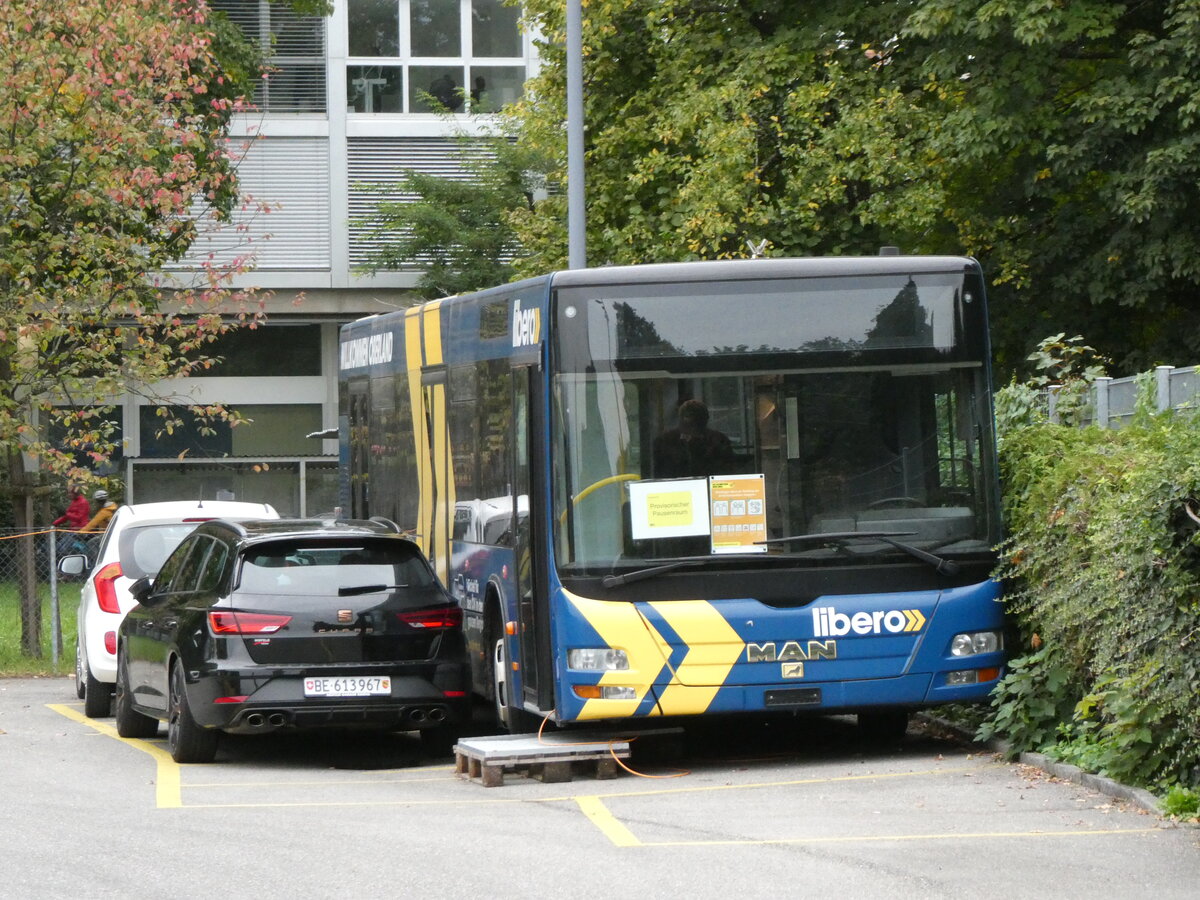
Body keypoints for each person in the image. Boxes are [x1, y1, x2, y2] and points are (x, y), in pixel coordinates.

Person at [652, 399, 735, 479]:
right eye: (689, 417)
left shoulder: (665, 440)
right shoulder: (719, 439)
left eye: (697, 419)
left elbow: (727, 469)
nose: (693, 424)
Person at [53, 488, 92, 556]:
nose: (68, 495)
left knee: (63, 549)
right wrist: (55, 523)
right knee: (58, 547)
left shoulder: (83, 502)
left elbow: (79, 517)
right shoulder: (73, 502)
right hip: (73, 530)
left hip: (80, 530)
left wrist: (68, 514)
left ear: (75, 493)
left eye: (70, 493)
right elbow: (67, 515)